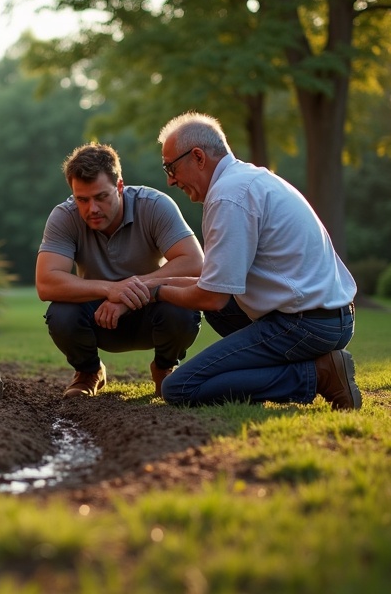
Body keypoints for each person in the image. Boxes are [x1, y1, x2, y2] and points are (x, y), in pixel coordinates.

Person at [152, 112, 361, 409]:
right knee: (222, 313)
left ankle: (318, 375)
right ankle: (287, 370)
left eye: (170, 167)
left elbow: (211, 296)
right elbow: (214, 285)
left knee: (180, 387)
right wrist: (153, 282)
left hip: (306, 325)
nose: (170, 180)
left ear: (198, 157)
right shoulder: (247, 179)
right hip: (331, 318)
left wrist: (155, 292)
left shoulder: (227, 197)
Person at [37, 142, 205, 399]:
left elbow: (195, 264)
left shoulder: (154, 205)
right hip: (98, 317)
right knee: (61, 313)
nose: (91, 208)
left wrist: (131, 292)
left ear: (119, 187)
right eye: (82, 199)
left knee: (183, 308)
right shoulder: (64, 216)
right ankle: (89, 372)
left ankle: (164, 367)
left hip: (152, 310)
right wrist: (111, 289)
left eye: (101, 197)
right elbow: (47, 283)